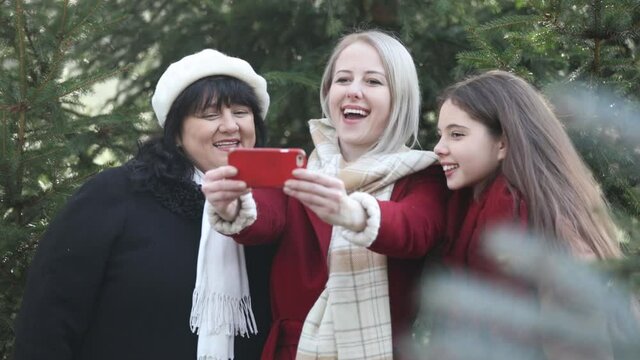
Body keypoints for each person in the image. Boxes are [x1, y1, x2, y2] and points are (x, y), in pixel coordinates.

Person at [201, 30, 448, 359]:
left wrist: (353, 213)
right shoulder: (305, 168)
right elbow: (265, 216)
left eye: (373, 82)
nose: (353, 91)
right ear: (328, 91)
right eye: (343, 79)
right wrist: (231, 205)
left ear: (399, 97)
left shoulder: (422, 174)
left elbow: (414, 230)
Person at [13, 49, 274, 360]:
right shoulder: (114, 196)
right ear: (176, 133)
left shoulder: (270, 211)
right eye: (210, 114)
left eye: (241, 112)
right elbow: (47, 321)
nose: (231, 126)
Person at [432, 69, 623, 359]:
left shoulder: (550, 223)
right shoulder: (467, 214)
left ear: (503, 144)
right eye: (440, 135)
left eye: (456, 135)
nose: (438, 148)